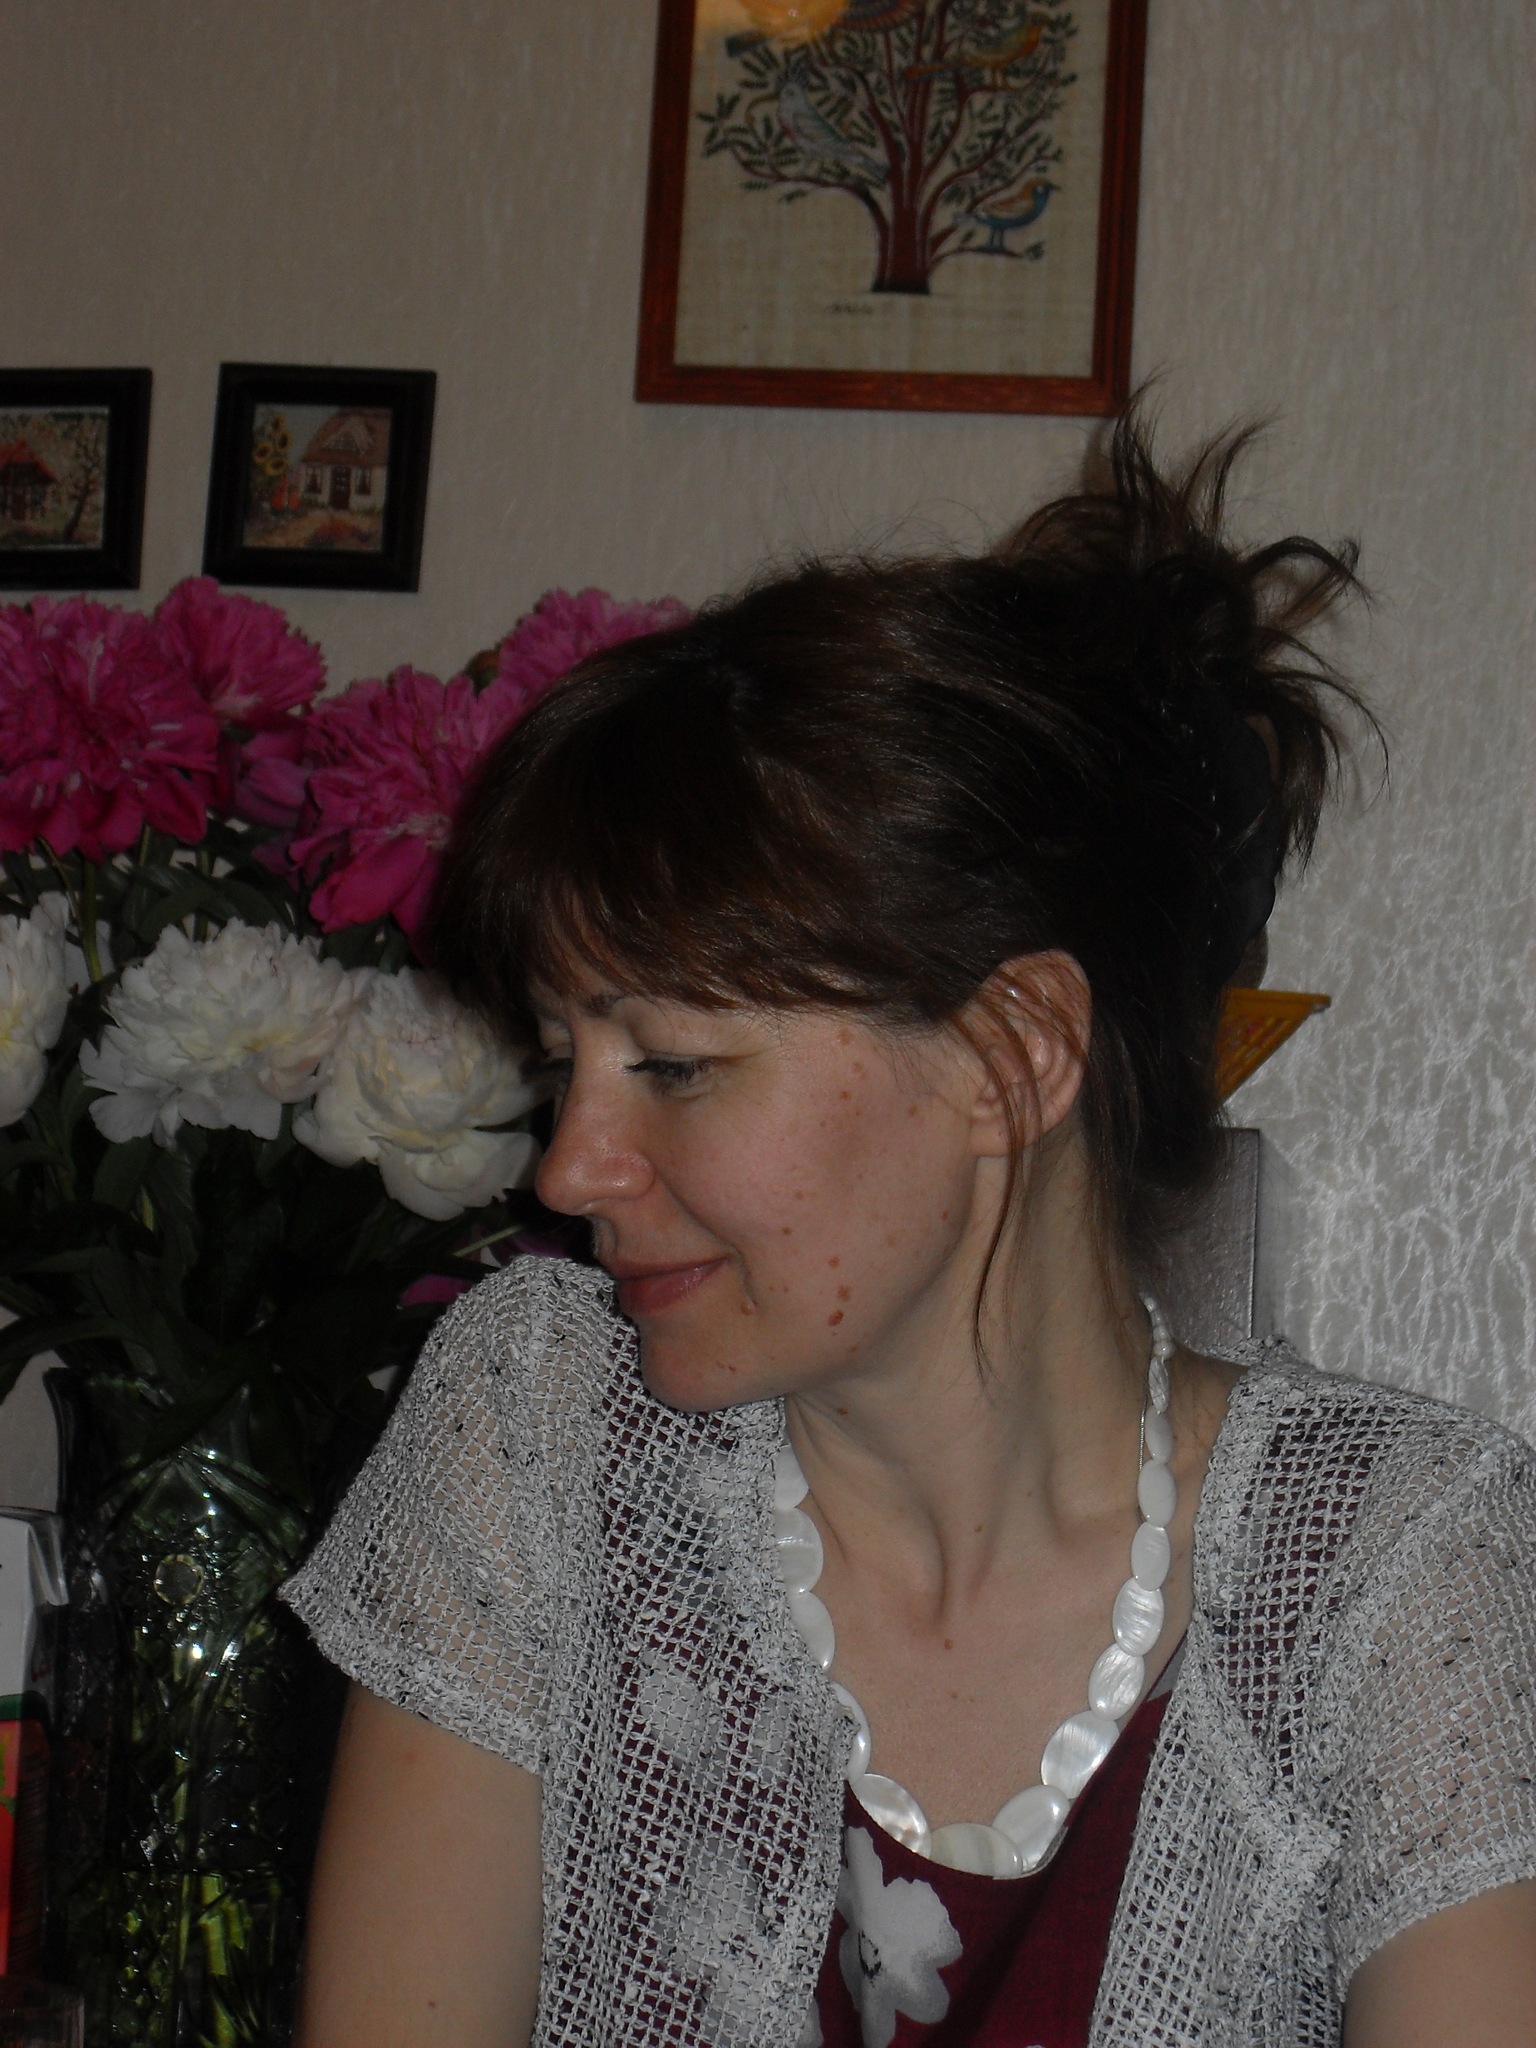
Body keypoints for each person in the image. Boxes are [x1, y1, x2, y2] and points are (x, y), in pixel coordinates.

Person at [284, 418, 1536, 2048]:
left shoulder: (1392, 1566)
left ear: (1013, 1055)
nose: (571, 1169)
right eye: (559, 1060)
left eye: (675, 1064)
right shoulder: (543, 1432)